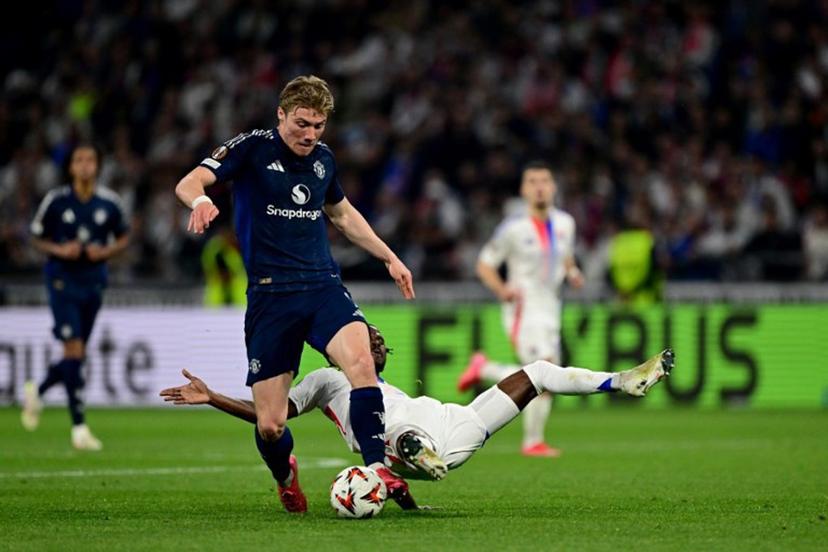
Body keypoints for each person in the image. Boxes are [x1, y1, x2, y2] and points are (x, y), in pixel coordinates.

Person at [173, 75, 415, 513]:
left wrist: (389, 257)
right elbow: (190, 182)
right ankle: (286, 475)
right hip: (271, 297)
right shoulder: (251, 148)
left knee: (362, 363)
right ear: (281, 115)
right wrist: (200, 202)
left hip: (322, 286)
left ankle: (377, 469)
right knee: (270, 424)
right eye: (302, 124)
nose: (310, 134)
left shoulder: (323, 159)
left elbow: (342, 215)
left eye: (319, 126)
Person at [160, 326, 674, 504]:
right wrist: (213, 397)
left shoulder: (385, 383)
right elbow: (269, 415)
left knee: (535, 372)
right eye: (368, 336)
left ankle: (620, 382)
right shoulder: (327, 381)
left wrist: (407, 502)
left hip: (455, 426)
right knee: (392, 426)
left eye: (379, 340)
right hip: (397, 441)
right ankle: (408, 453)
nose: (375, 341)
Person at [458, 161, 584, 457]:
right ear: (524, 190)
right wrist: (502, 289)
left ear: (553, 187)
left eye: (545, 180)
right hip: (523, 309)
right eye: (533, 181)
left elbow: (565, 257)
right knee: (547, 371)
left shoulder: (566, 223)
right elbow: (484, 263)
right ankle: (532, 442)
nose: (540, 186)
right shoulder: (512, 229)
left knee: (545, 375)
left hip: (551, 307)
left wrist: (574, 272)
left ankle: (485, 368)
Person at [21, 143, 130, 450]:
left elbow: (124, 236)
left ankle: (38, 391)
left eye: (90, 160)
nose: (84, 165)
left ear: (96, 166)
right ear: (71, 167)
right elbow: (36, 236)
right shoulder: (56, 200)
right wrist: (60, 250)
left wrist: (106, 251)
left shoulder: (109, 203)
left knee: (77, 354)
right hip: (62, 281)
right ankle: (79, 427)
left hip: (94, 281)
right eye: (79, 160)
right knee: (73, 350)